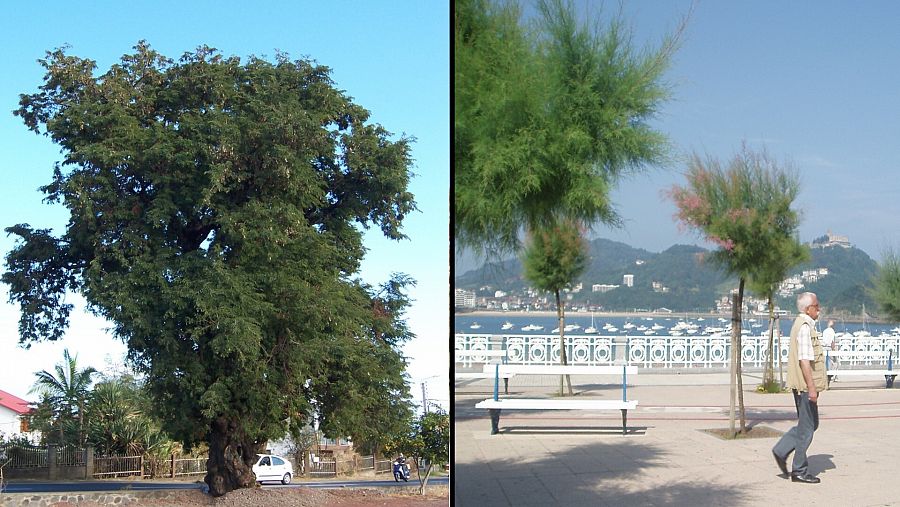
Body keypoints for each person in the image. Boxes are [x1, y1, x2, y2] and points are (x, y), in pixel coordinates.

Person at [772, 292, 827, 484]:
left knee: (811, 424)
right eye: (816, 306)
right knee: (807, 428)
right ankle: (799, 470)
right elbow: (804, 361)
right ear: (807, 309)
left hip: (804, 386)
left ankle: (782, 449)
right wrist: (811, 389)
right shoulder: (804, 327)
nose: (819, 309)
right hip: (804, 387)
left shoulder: (804, 325)